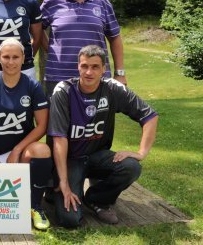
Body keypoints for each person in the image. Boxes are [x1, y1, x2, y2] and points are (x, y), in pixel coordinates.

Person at [48, 45, 158, 227]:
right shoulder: (64, 91)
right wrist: (64, 182)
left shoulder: (112, 88)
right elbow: (59, 140)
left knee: (131, 167)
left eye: (95, 67)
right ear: (78, 67)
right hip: (70, 160)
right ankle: (56, 188)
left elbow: (150, 116)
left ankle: (97, 199)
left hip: (98, 156)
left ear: (103, 69)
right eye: (84, 66)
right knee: (69, 220)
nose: (89, 72)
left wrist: (141, 152)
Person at [0, 39, 52, 231]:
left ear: (24, 59)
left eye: (15, 57)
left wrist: (18, 149)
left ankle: (35, 206)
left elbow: (42, 125)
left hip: (23, 153)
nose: (11, 62)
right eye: (6, 57)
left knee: (42, 150)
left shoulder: (33, 86)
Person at [40, 0, 126, 96]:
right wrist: (49, 48)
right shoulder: (52, 1)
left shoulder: (101, 1)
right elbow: (36, 28)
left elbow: (115, 38)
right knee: (59, 118)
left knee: (98, 118)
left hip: (97, 78)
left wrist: (120, 73)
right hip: (59, 78)